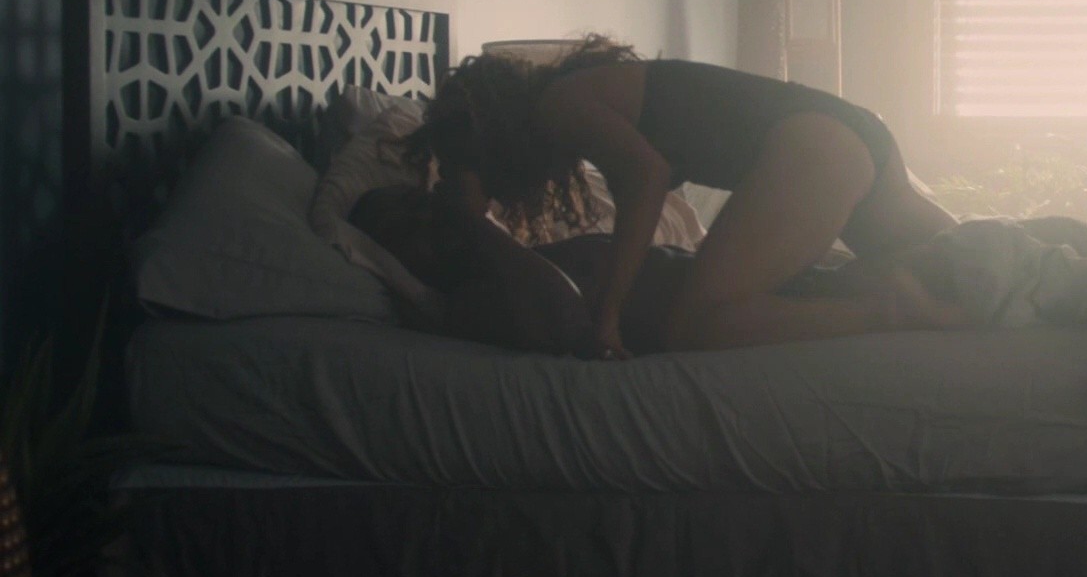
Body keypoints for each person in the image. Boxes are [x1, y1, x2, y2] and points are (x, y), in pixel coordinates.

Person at [410, 39, 968, 357]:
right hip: (849, 131)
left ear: (491, 137)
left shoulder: (558, 105)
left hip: (815, 147)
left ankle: (887, 312)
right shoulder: (596, 91)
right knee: (972, 263)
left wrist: (607, 314)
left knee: (696, 326)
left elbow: (647, 178)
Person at [348, 184, 883, 357]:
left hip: (753, 281)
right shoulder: (469, 302)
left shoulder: (504, 261)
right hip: (746, 312)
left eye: (419, 203)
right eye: (405, 226)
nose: (429, 218)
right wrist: (472, 223)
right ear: (392, 255)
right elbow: (569, 317)